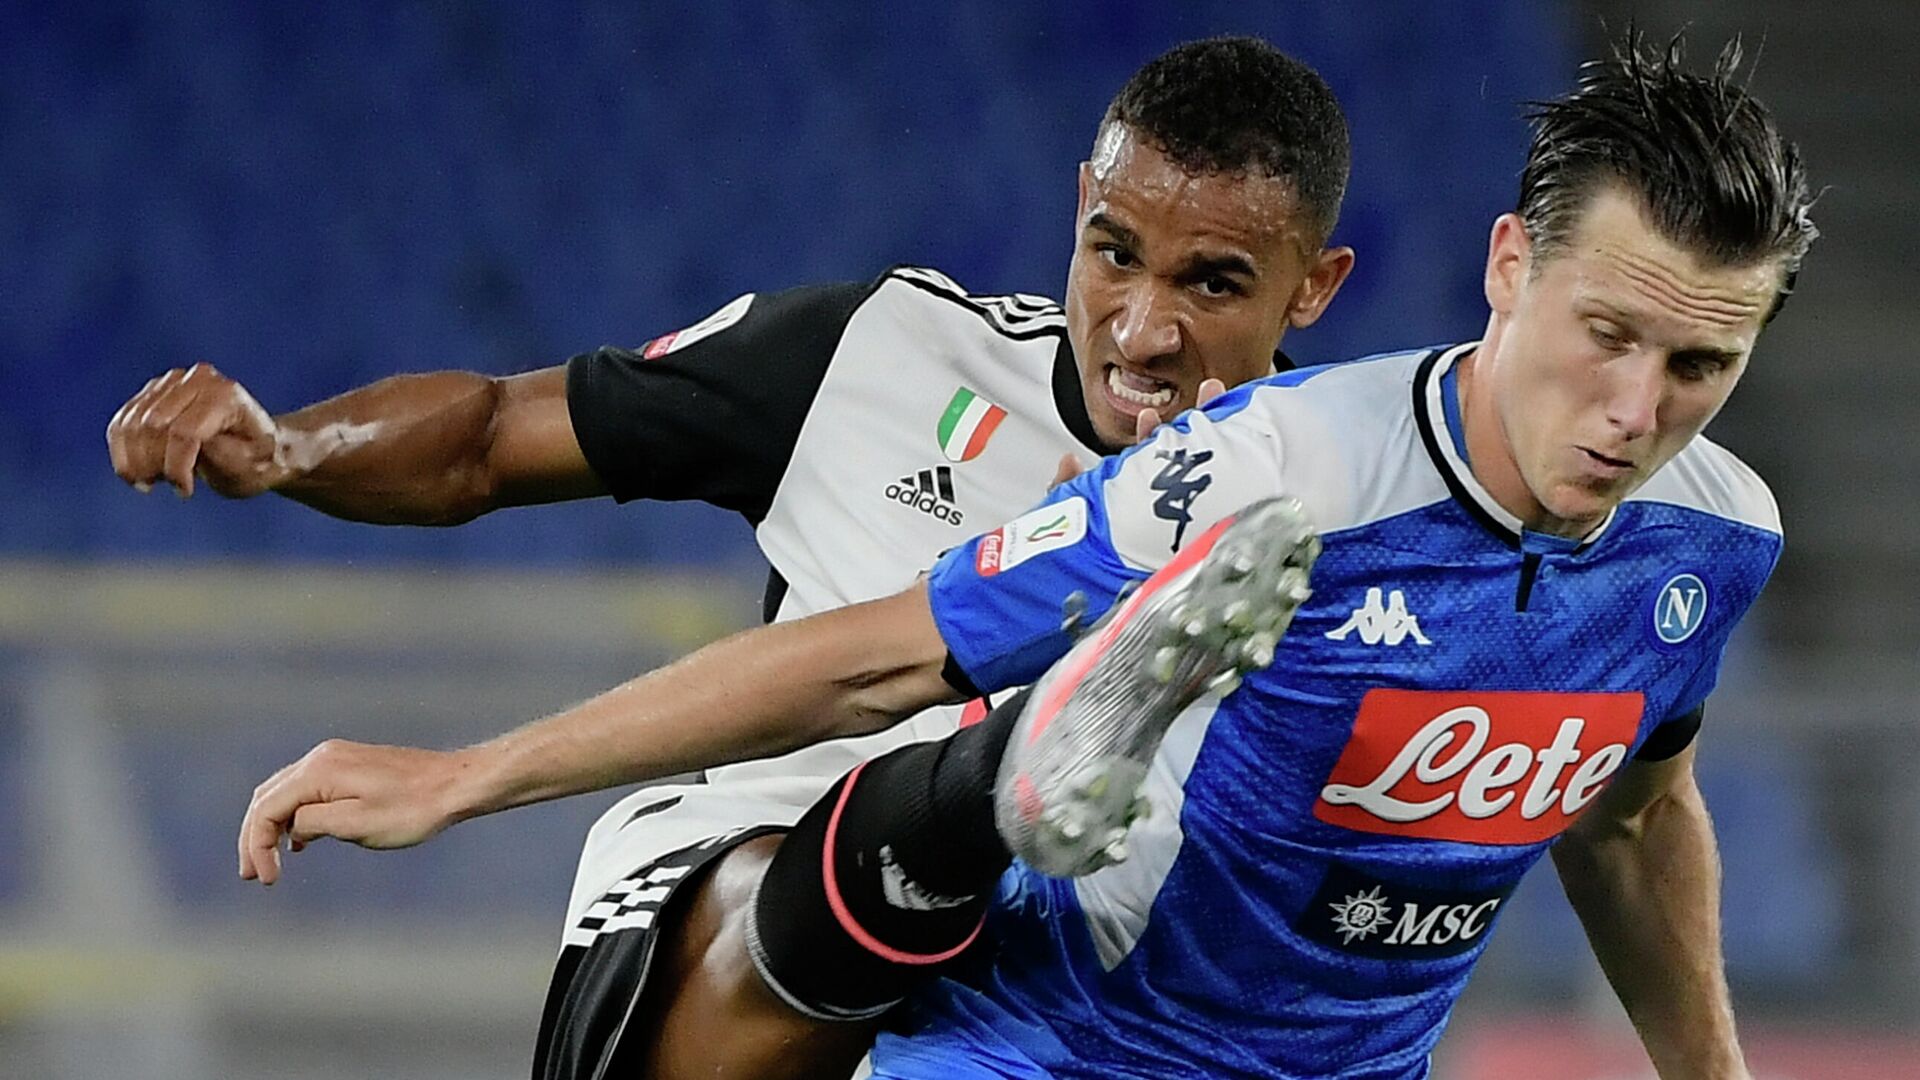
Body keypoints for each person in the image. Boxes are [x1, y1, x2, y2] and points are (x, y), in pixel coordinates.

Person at [235, 31, 1815, 1078]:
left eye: (1699, 368)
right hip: (960, 995)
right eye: (1606, 338)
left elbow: (1637, 812)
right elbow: (878, 652)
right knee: (927, 799)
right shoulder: (1265, 468)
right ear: (1507, 269)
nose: (1632, 414)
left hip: (1233, 1031)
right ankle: (1001, 778)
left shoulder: (1710, 539)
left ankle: (1010, 776)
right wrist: (462, 773)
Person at [108, 38, 1357, 1079]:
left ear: (1314, 288)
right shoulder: (882, 352)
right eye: (1113, 251)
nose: (1141, 328)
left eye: (1215, 282)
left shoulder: (1357, 510)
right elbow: (491, 436)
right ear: (1079, 200)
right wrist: (289, 447)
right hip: (757, 897)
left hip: (1089, 995)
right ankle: (986, 785)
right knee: (817, 883)